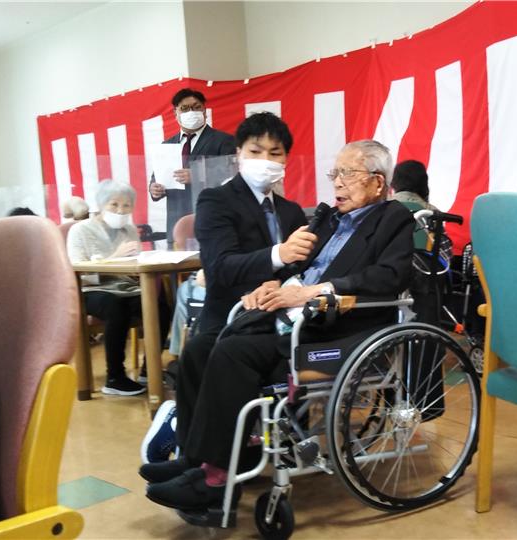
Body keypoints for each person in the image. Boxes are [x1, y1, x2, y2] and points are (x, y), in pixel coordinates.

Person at [140, 140, 414, 518]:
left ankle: (214, 481)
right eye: (334, 173)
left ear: (378, 182)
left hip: (338, 330)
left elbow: (389, 276)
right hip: (294, 317)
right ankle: (194, 458)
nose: (337, 182)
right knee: (201, 347)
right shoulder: (331, 220)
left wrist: (313, 291)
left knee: (233, 353)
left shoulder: (393, 218)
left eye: (347, 174)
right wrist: (274, 284)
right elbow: (300, 267)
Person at [139, 112, 309, 464]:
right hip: (230, 313)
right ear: (238, 154)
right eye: (256, 151)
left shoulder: (292, 212)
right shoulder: (215, 201)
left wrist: (278, 283)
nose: (265, 160)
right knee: (200, 352)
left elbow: (304, 269)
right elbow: (219, 268)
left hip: (279, 316)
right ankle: (192, 455)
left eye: (275, 153)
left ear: (285, 159)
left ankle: (248, 449)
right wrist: (277, 255)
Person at [67, 180, 170, 396]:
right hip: (90, 290)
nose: (120, 210)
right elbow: (78, 271)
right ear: (101, 204)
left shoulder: (129, 230)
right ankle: (115, 377)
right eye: (114, 204)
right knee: (116, 307)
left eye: (126, 205)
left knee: (159, 306)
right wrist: (114, 257)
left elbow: (132, 267)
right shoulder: (80, 230)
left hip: (125, 287)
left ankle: (149, 370)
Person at [149, 88, 236, 245]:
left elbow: (232, 174)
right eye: (184, 108)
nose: (191, 112)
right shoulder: (166, 145)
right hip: (176, 226)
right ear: (175, 113)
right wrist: (154, 189)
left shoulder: (223, 140)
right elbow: (157, 178)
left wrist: (198, 175)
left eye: (196, 107)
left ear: (205, 111)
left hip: (212, 221)